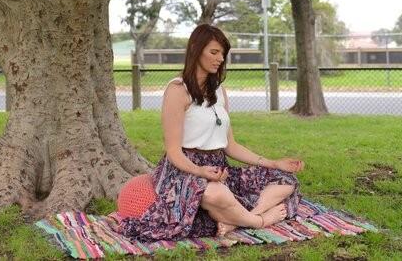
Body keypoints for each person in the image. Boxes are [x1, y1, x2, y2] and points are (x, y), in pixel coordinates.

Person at [120, 24, 304, 241]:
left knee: (285, 179)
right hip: (184, 170)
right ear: (196, 50)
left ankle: (237, 220)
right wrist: (200, 171)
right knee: (215, 194)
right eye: (214, 52)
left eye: (222, 54)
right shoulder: (177, 90)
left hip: (218, 168)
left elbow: (230, 145)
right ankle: (259, 220)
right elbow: (173, 152)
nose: (220, 59)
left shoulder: (220, 91)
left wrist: (274, 163)